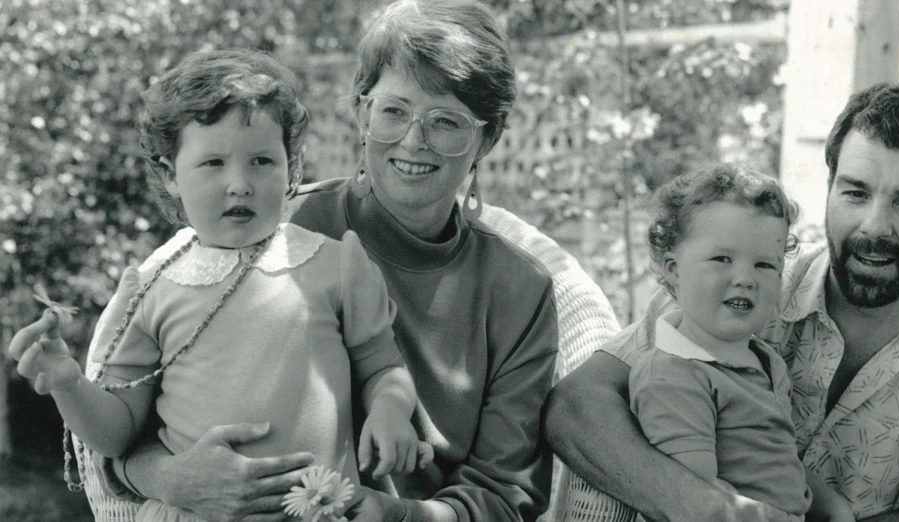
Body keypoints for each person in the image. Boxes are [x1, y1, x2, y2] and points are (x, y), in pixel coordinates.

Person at [78, 2, 559, 522]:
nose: (414, 140)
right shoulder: (264, 232)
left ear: (487, 138)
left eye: (447, 122)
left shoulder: (521, 290)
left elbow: (503, 497)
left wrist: (394, 515)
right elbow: (130, 427)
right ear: (360, 111)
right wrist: (175, 479)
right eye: (394, 110)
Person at [546, 80, 899, 522]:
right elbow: (576, 406)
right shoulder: (743, 280)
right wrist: (710, 511)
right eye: (855, 192)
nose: (873, 226)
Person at [9, 48, 432, 522]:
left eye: (261, 161)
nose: (240, 183)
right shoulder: (150, 288)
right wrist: (68, 384)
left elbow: (382, 366)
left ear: (292, 168)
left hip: (319, 509)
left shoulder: (336, 263)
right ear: (171, 177)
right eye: (212, 163)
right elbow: (117, 435)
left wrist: (391, 411)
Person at [621, 164, 812, 521]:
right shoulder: (673, 374)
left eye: (764, 266)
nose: (745, 279)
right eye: (722, 259)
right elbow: (696, 498)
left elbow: (779, 466)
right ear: (674, 270)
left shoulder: (766, 362)